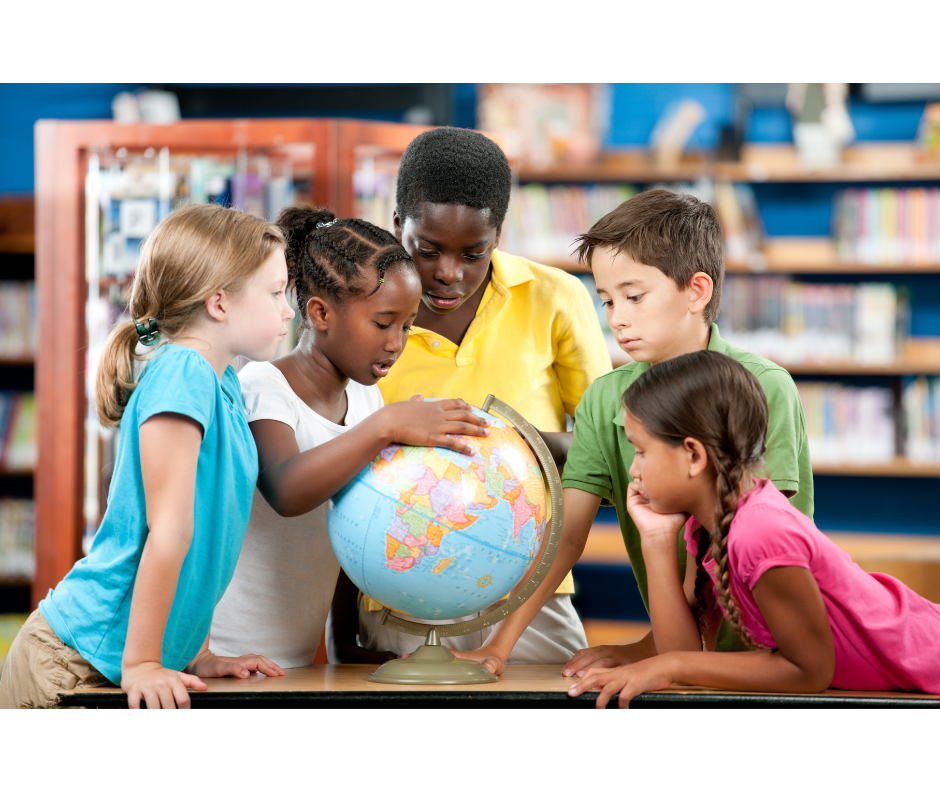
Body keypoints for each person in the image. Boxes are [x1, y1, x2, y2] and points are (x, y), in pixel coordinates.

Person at [456, 188, 815, 676]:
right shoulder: (606, 399)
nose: (617, 318)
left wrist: (659, 654)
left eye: (634, 296)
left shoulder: (763, 386)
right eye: (606, 300)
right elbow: (565, 538)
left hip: (777, 656)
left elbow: (750, 540)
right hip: (684, 655)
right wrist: (498, 648)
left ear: (697, 291)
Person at [327, 126, 612, 665]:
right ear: (396, 226)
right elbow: (329, 466)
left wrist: (514, 443)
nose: (448, 273)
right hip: (395, 582)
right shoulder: (356, 314)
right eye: (426, 250)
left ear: (499, 234)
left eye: (473, 252)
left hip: (528, 588)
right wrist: (342, 629)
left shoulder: (555, 299)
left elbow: (606, 448)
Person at [0, 204, 293, 709]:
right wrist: (143, 663)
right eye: (274, 293)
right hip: (75, 662)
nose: (287, 309)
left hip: (128, 659)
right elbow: (170, 530)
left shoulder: (219, 377)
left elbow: (207, 537)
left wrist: (193, 654)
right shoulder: (183, 372)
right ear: (219, 303)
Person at [568, 351, 940, 707]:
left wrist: (670, 666)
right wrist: (655, 540)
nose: (634, 470)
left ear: (694, 456)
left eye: (641, 451)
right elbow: (680, 648)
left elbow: (808, 671)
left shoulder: (760, 532)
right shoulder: (707, 525)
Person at [208, 206, 489, 668]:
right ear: (319, 313)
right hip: (222, 651)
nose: (396, 342)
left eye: (407, 325)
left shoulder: (365, 401)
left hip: (291, 659)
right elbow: (285, 488)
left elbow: (350, 529)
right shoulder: (262, 386)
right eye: (382, 323)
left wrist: (342, 642)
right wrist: (385, 429)